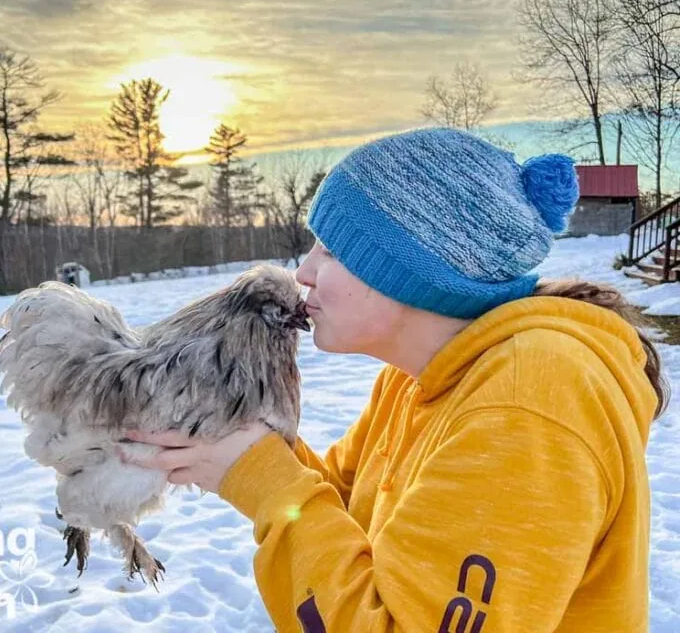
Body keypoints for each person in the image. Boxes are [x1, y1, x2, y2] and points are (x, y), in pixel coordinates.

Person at [120, 128, 667, 632]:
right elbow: (339, 503)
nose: (303, 272)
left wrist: (260, 475)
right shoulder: (418, 379)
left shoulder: (526, 408)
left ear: (410, 272)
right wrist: (238, 445)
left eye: (331, 250)